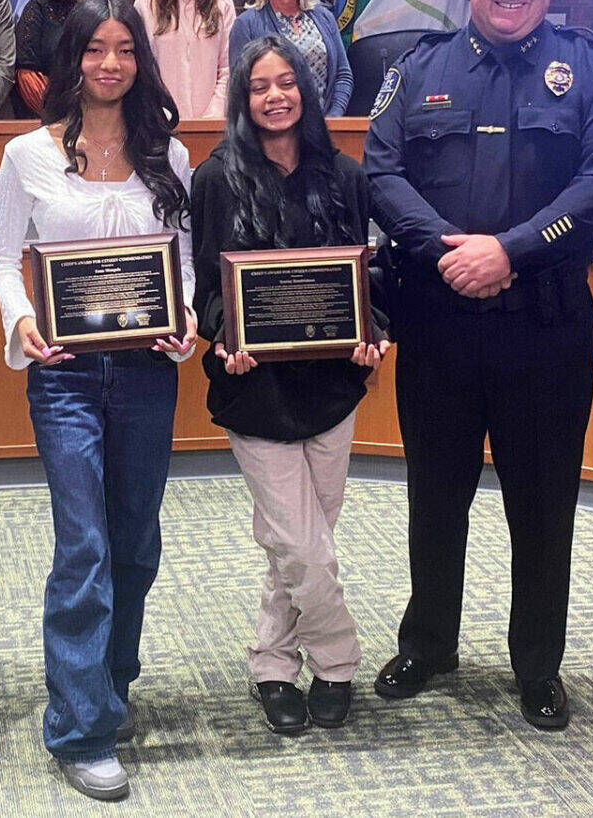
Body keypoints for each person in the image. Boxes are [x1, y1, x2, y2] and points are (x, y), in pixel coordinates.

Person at [363, 0, 593, 730]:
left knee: (543, 502)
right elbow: (380, 169)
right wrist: (450, 247)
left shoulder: (588, 65)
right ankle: (429, 642)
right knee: (435, 496)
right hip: (440, 324)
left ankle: (537, 665)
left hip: (545, 328)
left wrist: (510, 251)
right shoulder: (418, 66)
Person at [0, 0, 197, 800]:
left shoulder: (167, 154)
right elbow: (9, 262)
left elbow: (177, 262)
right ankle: (80, 727)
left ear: (139, 62)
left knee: (135, 546)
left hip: (148, 371)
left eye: (124, 50)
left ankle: (108, 684)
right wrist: (23, 321)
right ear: (71, 59)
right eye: (94, 50)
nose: (110, 64)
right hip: (67, 373)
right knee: (85, 547)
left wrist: (181, 317)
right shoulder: (27, 155)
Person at [192, 36, 388, 735]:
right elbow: (207, 286)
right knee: (306, 547)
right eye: (258, 87)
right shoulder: (215, 177)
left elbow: (366, 276)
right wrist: (225, 337)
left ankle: (272, 662)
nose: (275, 96)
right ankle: (337, 661)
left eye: (286, 83)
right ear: (242, 101)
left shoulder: (347, 175)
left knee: (295, 543)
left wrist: (375, 327)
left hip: (332, 389)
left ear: (305, 90)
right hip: (256, 393)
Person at [229, 0, 353, 117]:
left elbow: (343, 76)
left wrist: (333, 119)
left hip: (323, 131)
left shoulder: (325, 18)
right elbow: (240, 88)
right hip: (271, 133)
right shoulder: (246, 25)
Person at [14, 0, 106, 116]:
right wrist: (65, 117)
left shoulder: (112, 11)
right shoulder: (39, 9)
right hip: (51, 123)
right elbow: (26, 76)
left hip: (106, 120)